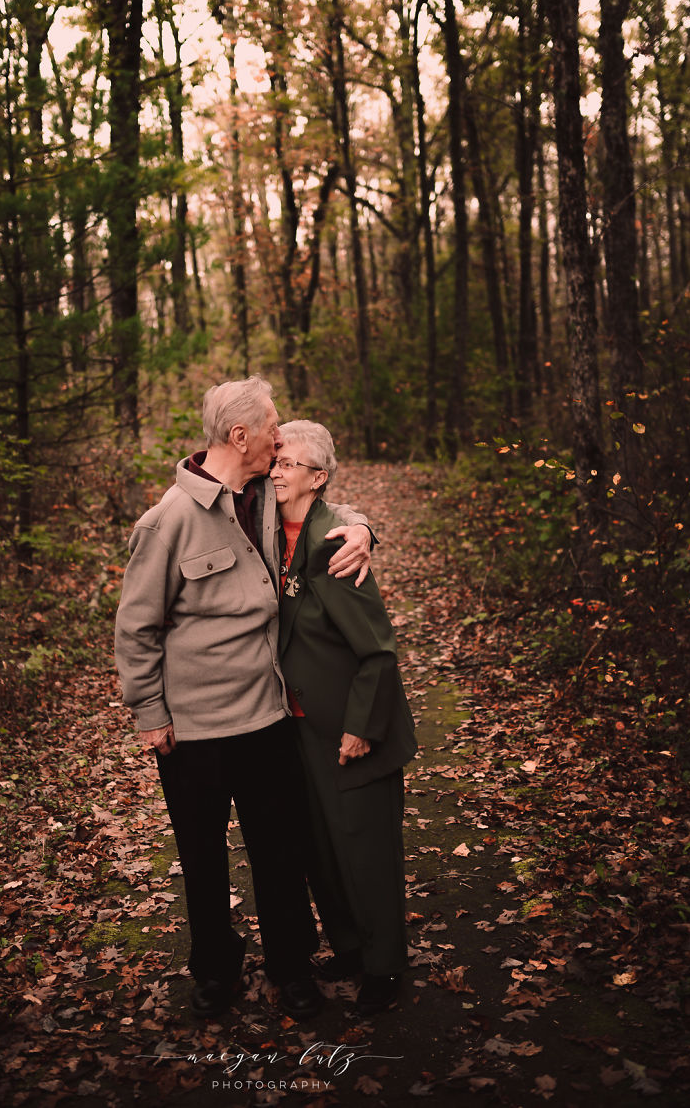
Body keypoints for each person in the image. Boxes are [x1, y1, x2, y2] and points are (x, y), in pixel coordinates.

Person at [114, 377, 373, 1020]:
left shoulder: (264, 494)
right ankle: (214, 970)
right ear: (239, 436)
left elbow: (326, 513)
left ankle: (292, 968)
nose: (279, 437)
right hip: (192, 731)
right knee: (202, 861)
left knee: (279, 853)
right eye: (271, 427)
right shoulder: (166, 521)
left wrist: (365, 528)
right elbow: (136, 626)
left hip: (266, 717)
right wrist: (149, 713)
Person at [271, 419, 417, 1017]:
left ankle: (385, 968)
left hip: (354, 728)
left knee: (366, 848)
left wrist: (361, 726)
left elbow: (378, 649)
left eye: (289, 464)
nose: (276, 471)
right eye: (274, 461)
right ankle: (352, 948)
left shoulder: (335, 546)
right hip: (301, 723)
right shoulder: (267, 527)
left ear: (319, 477)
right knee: (323, 849)